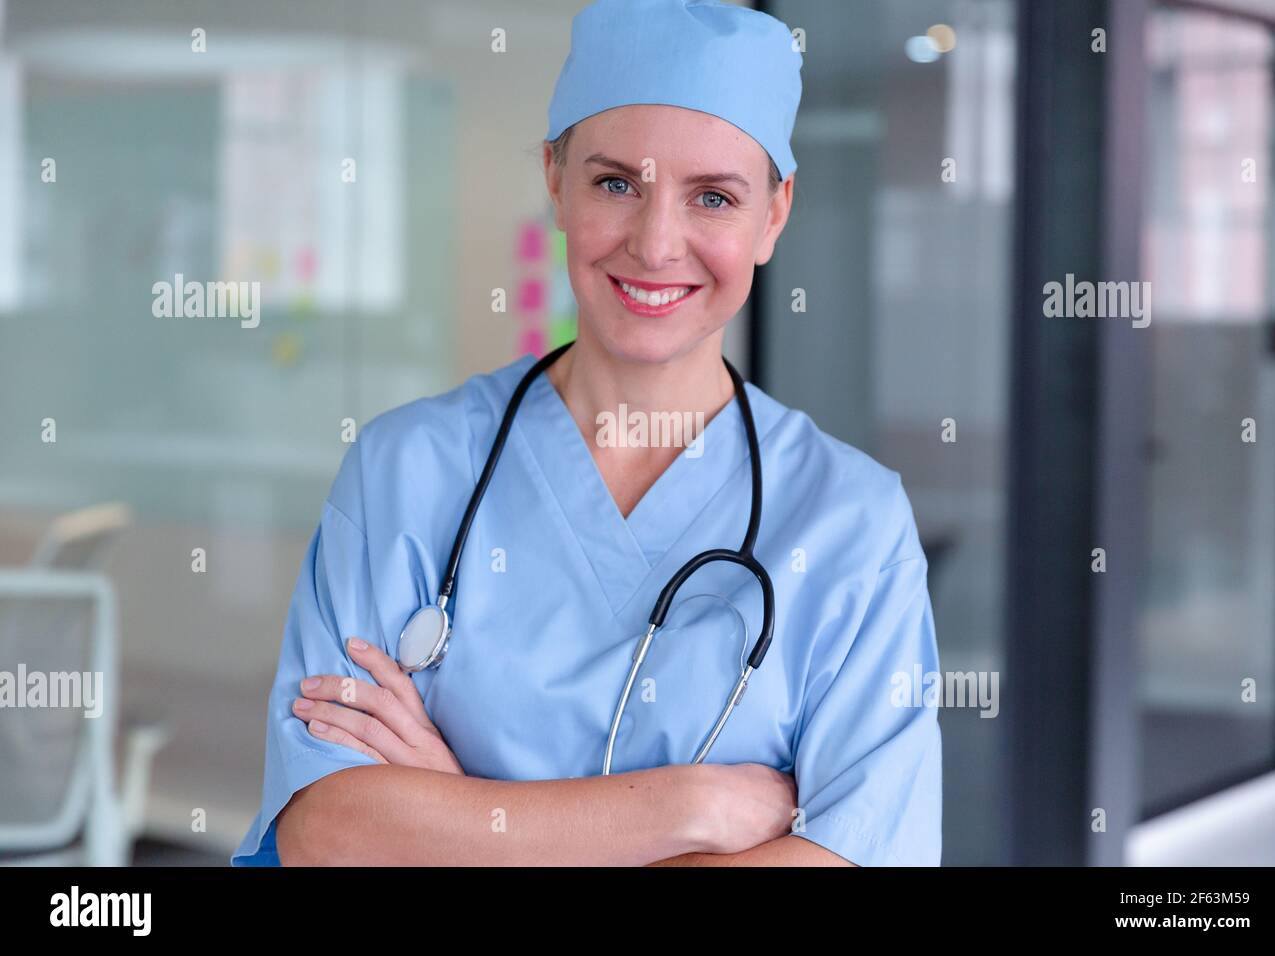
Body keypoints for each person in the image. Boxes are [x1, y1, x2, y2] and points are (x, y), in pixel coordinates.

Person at [232, 0, 941, 867]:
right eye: (616, 184)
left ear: (774, 216)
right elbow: (325, 834)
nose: (656, 242)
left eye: (713, 197)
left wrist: (460, 820)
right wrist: (686, 807)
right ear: (555, 179)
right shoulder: (404, 473)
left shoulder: (851, 522)